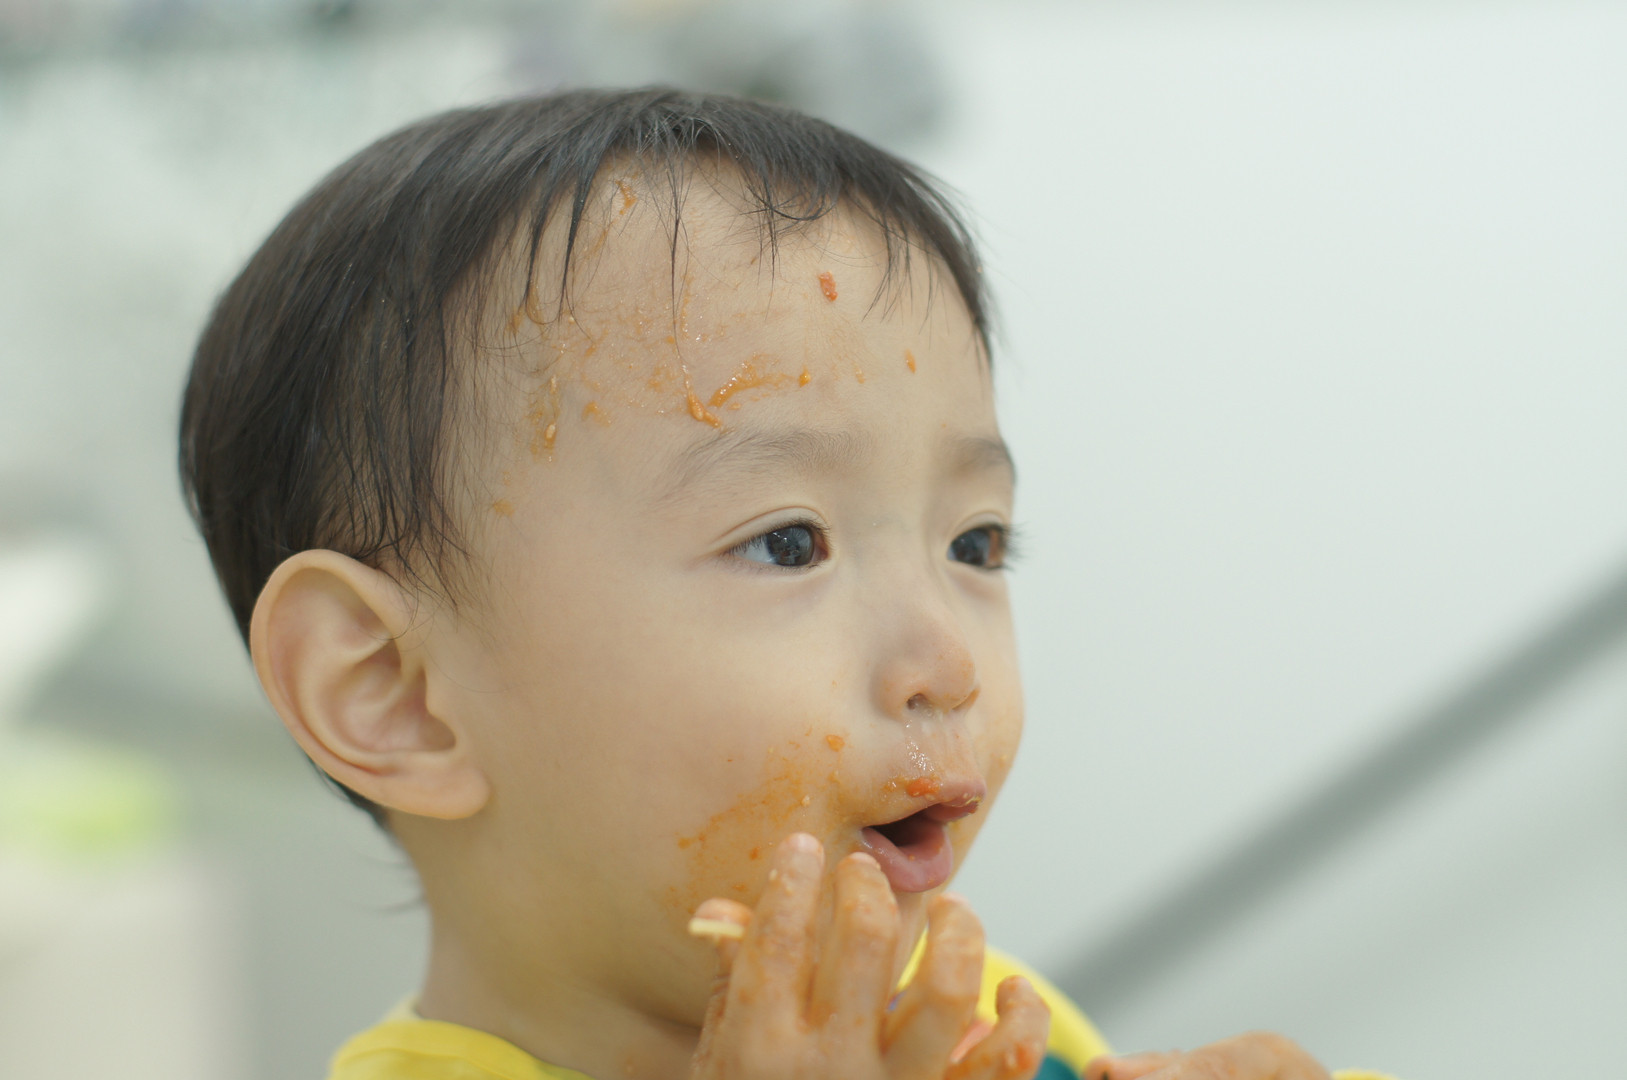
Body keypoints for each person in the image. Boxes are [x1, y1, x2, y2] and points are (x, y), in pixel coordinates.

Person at [180, 89, 1394, 1080]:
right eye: (787, 543)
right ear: (394, 692)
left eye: (976, 545)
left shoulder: (973, 1023)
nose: (947, 664)